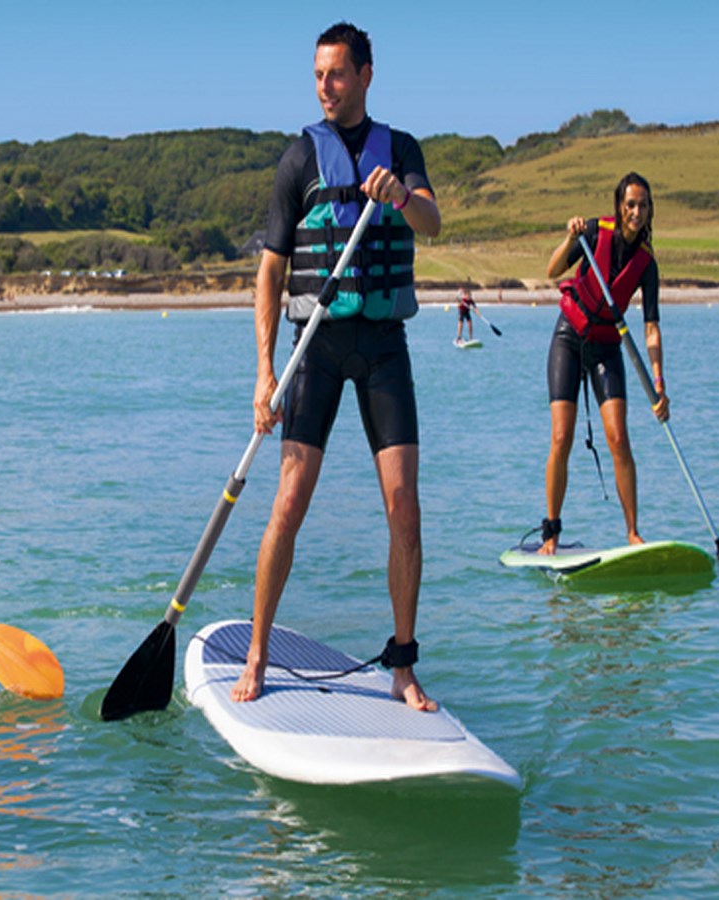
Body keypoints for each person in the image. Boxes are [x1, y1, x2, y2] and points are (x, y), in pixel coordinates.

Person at [230, 22, 441, 711]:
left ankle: (403, 664)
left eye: (337, 74)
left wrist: (402, 197)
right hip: (314, 346)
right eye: (318, 75)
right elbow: (269, 274)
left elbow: (434, 223)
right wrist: (265, 373)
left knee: (403, 508)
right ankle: (258, 653)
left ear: (366, 75)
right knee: (288, 503)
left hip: (382, 345)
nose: (325, 86)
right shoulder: (298, 159)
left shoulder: (401, 150)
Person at [539, 172, 669, 555]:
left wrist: (659, 386)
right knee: (561, 437)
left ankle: (632, 532)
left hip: (607, 349)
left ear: (649, 211)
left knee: (618, 438)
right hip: (569, 339)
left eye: (643, 205)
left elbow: (651, 329)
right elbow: (552, 270)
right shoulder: (594, 232)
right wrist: (569, 237)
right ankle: (551, 534)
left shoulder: (647, 265)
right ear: (619, 206)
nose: (636, 212)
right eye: (630, 204)